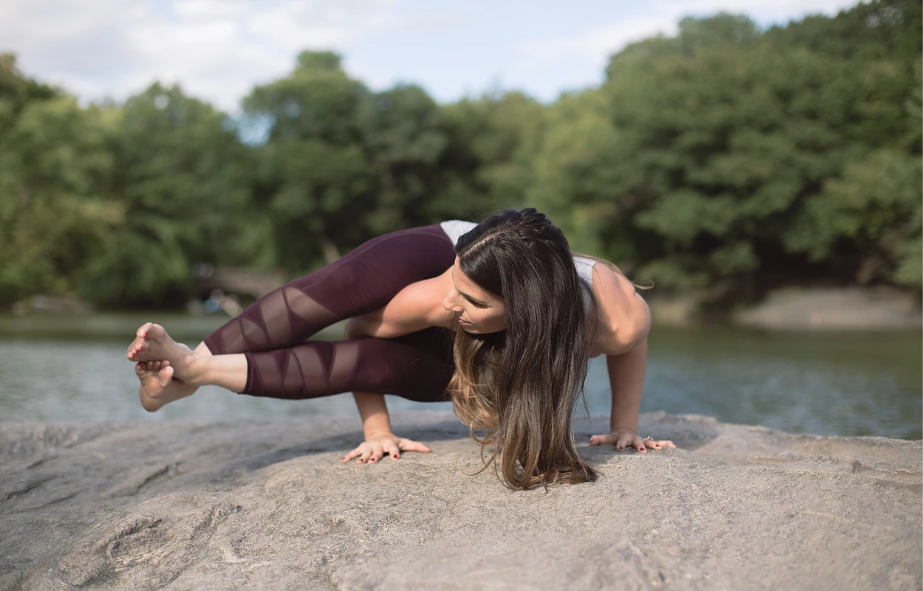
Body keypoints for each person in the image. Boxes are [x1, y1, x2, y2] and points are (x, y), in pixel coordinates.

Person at [126, 208, 675, 489]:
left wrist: (625, 423)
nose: (454, 305)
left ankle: (188, 370)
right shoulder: (444, 291)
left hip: (489, 343)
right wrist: (376, 428)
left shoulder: (614, 315)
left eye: (472, 302)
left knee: (384, 360)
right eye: (455, 291)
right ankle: (184, 373)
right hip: (439, 247)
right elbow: (359, 329)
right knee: (339, 292)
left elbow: (632, 346)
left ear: (525, 314)